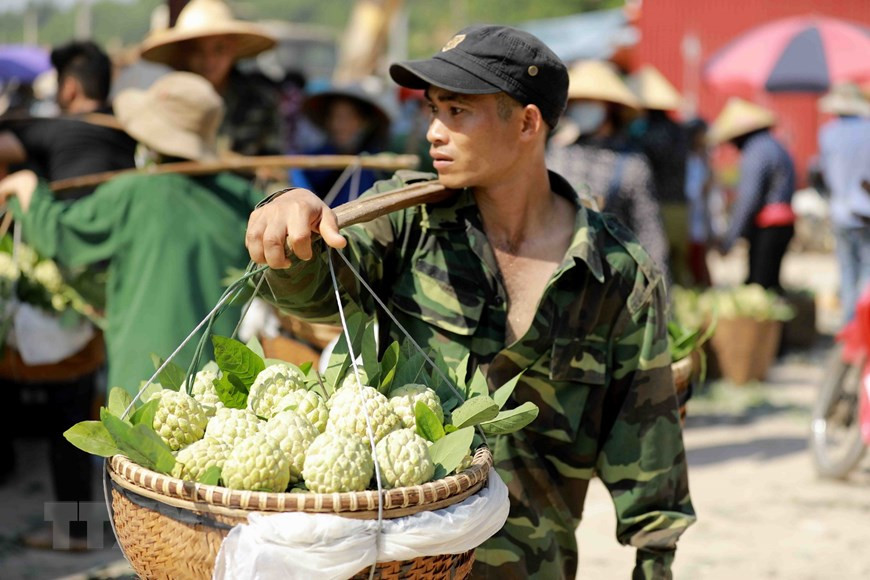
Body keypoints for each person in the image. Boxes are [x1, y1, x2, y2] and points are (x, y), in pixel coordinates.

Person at [246, 25, 694, 579]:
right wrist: (288, 215)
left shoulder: (616, 272)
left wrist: (656, 560)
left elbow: (646, 439)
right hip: (400, 565)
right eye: (433, 109)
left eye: (458, 112)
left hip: (535, 567)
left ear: (528, 122)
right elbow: (317, 288)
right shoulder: (407, 220)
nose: (434, 131)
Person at [0, 72, 264, 397]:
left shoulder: (132, 192)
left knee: (132, 445)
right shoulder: (245, 200)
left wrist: (26, 186)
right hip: (219, 386)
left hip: (142, 385)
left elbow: (60, 234)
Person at [0, 40, 135, 550]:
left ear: (70, 87)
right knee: (88, 414)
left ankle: (74, 532)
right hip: (114, 294)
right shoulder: (125, 133)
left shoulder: (52, 128)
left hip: (70, 299)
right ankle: (91, 526)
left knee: (68, 425)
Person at [547, 60, 669, 276]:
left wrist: (659, 290)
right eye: (576, 102)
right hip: (558, 273)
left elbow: (650, 234)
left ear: (610, 107)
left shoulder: (632, 163)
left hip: (613, 279)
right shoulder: (557, 153)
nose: (580, 108)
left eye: (588, 102)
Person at [138, 0, 282, 157]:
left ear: (233, 49)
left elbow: (272, 164)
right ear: (184, 54)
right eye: (197, 51)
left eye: (219, 49)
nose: (209, 60)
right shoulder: (167, 98)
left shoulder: (259, 100)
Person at [0, 41, 137, 199]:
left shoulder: (54, 129)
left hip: (73, 220)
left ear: (70, 88)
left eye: (59, 84)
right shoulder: (127, 127)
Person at [709, 97, 796, 291]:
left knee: (758, 285)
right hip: (784, 223)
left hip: (769, 227)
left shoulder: (756, 151)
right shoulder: (775, 145)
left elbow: (749, 199)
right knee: (771, 284)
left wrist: (730, 240)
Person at [628, 65, 692, 286]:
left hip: (655, 209)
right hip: (680, 206)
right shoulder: (681, 132)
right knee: (678, 265)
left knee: (655, 267)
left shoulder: (640, 133)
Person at [817, 82, 870, 322]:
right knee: (867, 272)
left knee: (848, 272)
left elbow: (825, 175)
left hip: (840, 211)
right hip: (866, 211)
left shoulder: (828, 134)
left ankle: (849, 330)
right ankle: (863, 330)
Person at [291, 84, 392, 206]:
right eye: (335, 117)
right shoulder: (309, 161)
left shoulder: (375, 165)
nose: (339, 125)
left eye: (348, 117)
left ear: (365, 123)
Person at [683, 118, 713, 287]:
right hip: (690, 223)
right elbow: (692, 192)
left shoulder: (702, 159)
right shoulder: (689, 160)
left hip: (699, 222)